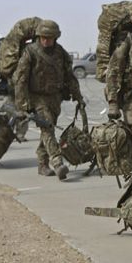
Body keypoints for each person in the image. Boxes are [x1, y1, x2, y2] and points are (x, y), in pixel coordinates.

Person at [14, 19, 85, 180]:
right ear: (39, 37)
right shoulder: (30, 52)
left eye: (50, 38)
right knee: (47, 128)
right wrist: (22, 105)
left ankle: (42, 164)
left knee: (48, 131)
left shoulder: (60, 53)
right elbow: (20, 79)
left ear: (55, 38)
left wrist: (78, 96)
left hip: (55, 98)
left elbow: (70, 76)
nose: (46, 41)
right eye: (43, 37)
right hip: (37, 98)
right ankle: (57, 162)